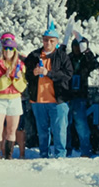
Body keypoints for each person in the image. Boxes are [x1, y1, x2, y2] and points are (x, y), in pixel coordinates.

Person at [24, 23, 73, 158]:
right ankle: (43, 154)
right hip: (38, 100)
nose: (48, 43)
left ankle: (60, 156)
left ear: (57, 42)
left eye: (52, 41)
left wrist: (49, 73)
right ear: (42, 40)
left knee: (59, 131)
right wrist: (32, 73)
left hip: (58, 100)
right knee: (42, 131)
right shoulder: (34, 55)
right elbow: (25, 74)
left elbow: (68, 74)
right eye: (46, 40)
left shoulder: (62, 56)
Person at [0, 37, 28, 159]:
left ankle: (9, 155)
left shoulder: (20, 65)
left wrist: (17, 79)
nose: (8, 51)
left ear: (15, 50)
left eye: (11, 48)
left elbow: (22, 87)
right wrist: (5, 78)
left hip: (14, 99)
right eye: (6, 48)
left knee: (12, 130)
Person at [66, 35, 97, 157]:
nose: (77, 48)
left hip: (80, 95)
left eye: (79, 46)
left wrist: (87, 51)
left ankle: (85, 150)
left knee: (81, 125)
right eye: (75, 45)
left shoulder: (86, 59)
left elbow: (94, 64)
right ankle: (66, 150)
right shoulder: (68, 58)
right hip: (67, 95)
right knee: (65, 124)